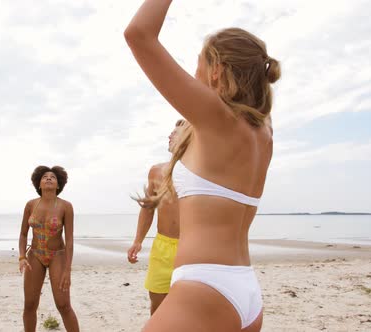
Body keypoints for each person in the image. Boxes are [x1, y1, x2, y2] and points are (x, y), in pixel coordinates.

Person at [125, 0, 281, 330]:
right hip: (245, 292)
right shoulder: (264, 132)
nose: (193, 75)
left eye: (198, 64)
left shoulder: (217, 118)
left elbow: (138, 34)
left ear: (216, 71)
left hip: (205, 290)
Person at [127, 119, 185, 315]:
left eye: (175, 132)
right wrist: (138, 240)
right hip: (163, 246)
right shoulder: (156, 171)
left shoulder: (201, 172)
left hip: (191, 247)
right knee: (158, 308)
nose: (170, 136)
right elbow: (148, 209)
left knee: (188, 310)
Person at [18, 166, 79, 332]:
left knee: (63, 305)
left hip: (57, 255)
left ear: (58, 185)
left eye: (53, 177)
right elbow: (23, 234)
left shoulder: (66, 206)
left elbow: (70, 239)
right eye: (45, 177)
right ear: (39, 184)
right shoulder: (31, 205)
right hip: (34, 256)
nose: (49, 178)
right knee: (30, 304)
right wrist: (22, 257)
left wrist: (67, 269)